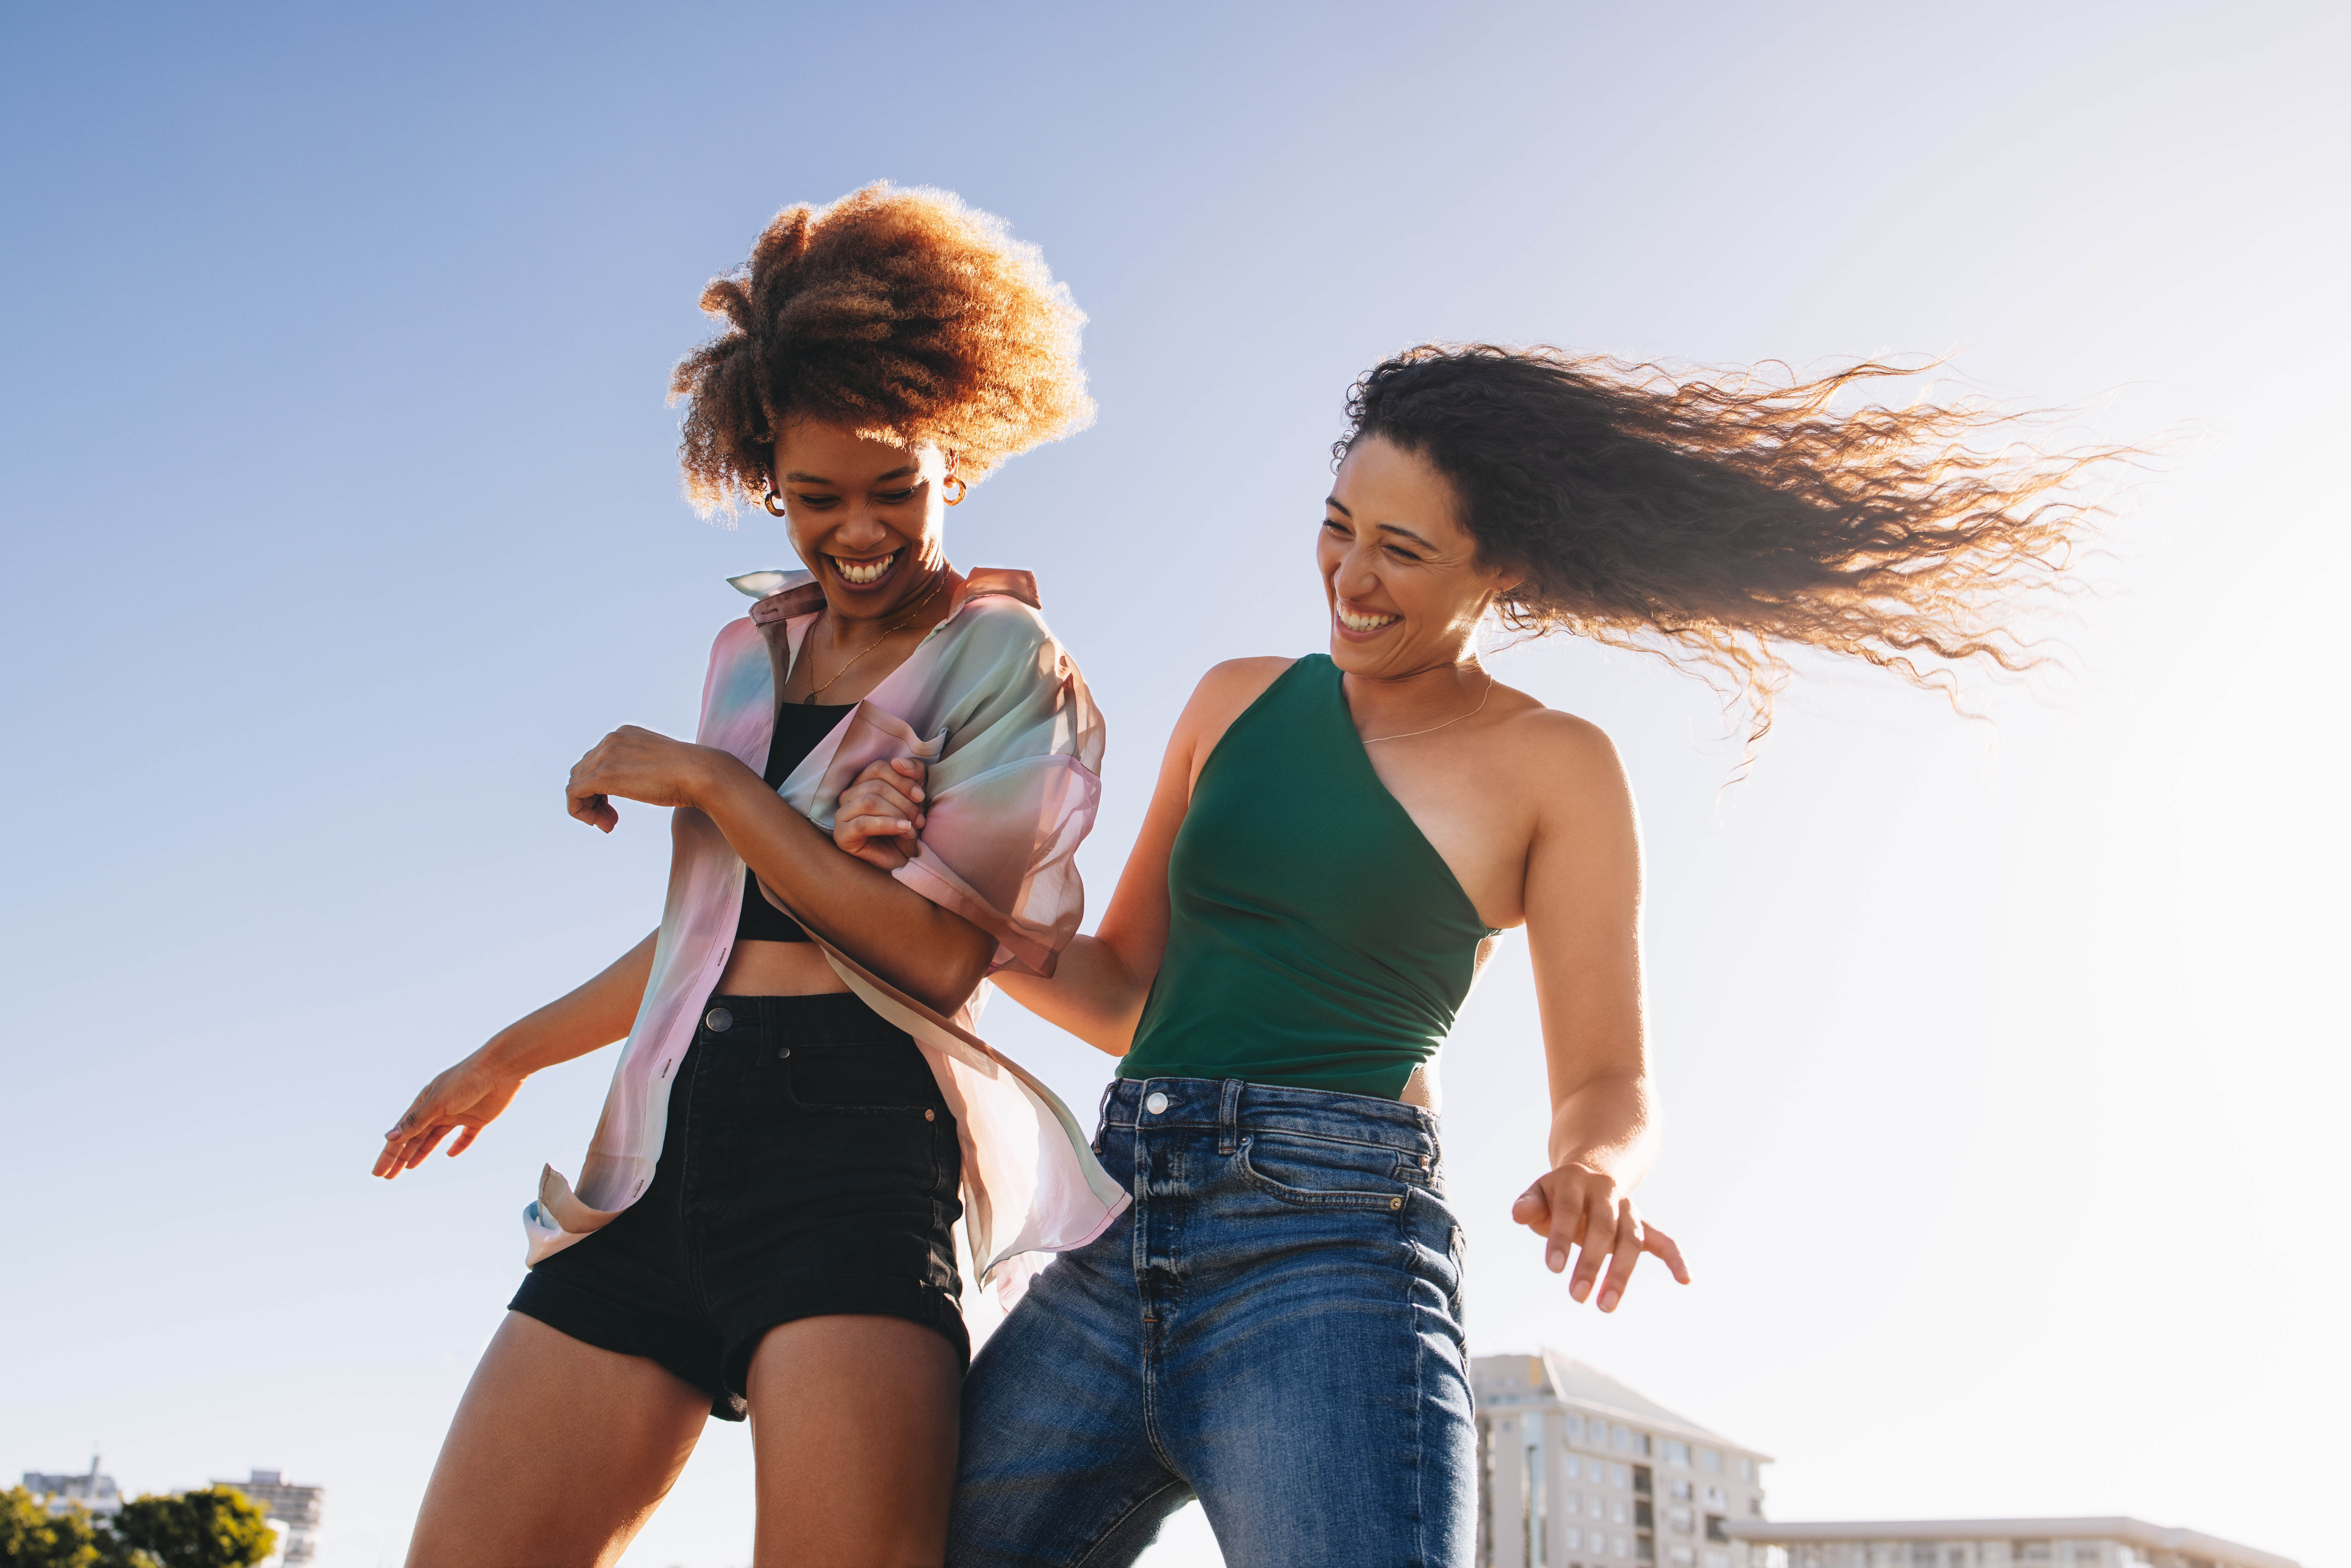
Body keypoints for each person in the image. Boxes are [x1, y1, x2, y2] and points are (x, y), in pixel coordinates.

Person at [892, 346, 2117, 1568]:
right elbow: (1123, 990)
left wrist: (1595, 1166)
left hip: (1325, 1255)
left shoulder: (1557, 766)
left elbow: (1608, 1077)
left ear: (1506, 567)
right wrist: (932, 880)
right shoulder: (1231, 700)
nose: (1351, 578)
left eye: (1402, 553)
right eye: (1338, 528)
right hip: (1114, 1231)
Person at [371, 183, 1123, 1568]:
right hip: (662, 1140)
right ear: (761, 475)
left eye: (897, 488)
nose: (857, 530)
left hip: (849, 1148)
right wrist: (504, 1055)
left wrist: (717, 784)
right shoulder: (746, 659)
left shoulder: (1006, 660)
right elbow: (701, 933)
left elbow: (941, 958)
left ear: (957, 457)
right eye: (814, 496)